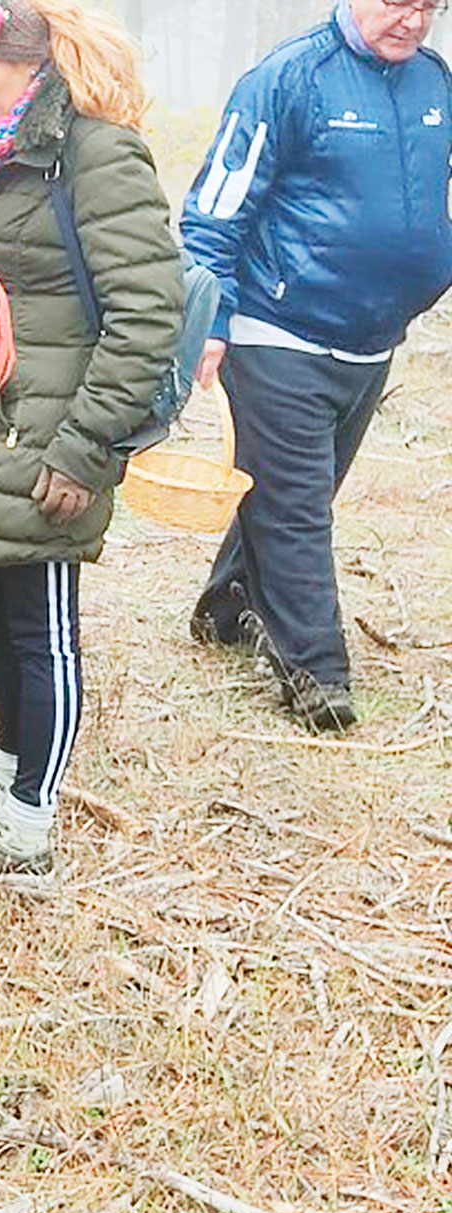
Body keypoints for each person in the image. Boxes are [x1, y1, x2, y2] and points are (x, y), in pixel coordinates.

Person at [0, 0, 181, 875]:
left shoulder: (96, 155)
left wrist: (85, 448)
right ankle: (4, 780)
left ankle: (29, 824)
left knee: (45, 629)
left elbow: (147, 316)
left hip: (59, 439)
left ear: (30, 71)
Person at [182, 0, 452, 733]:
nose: (415, 21)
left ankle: (226, 607)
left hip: (373, 336)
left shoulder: (434, 82)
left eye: (431, 6)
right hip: (279, 329)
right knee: (299, 509)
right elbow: (213, 210)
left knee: (292, 491)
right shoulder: (288, 78)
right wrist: (208, 319)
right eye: (400, 3)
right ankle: (316, 674)